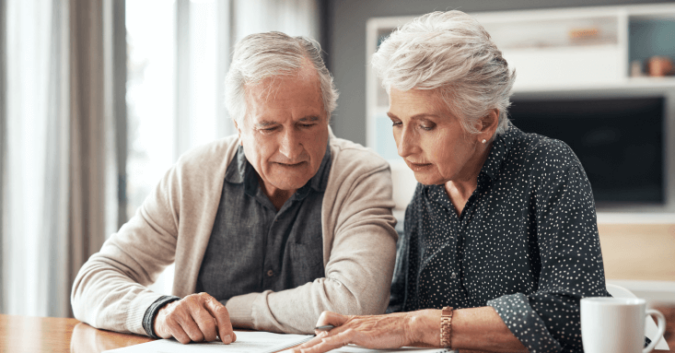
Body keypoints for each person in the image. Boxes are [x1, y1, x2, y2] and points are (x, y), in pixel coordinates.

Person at [290, 10, 609, 353]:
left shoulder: (548, 166)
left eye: (426, 125)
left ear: (485, 123)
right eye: (397, 122)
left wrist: (419, 326)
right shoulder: (428, 189)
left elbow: (575, 314)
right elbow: (403, 308)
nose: (404, 148)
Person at [71, 32, 398, 344]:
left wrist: (230, 309)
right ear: (239, 126)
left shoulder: (361, 175)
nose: (290, 148)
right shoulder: (194, 174)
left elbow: (355, 302)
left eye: (307, 123)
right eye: (269, 127)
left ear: (327, 116)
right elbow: (94, 280)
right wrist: (160, 312)